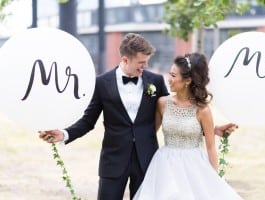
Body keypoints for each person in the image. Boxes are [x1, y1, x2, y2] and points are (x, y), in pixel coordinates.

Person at [38, 33, 238, 200]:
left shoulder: (156, 81)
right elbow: (88, 121)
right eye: (141, 63)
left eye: (146, 62)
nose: (145, 67)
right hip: (113, 161)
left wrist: (212, 130)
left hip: (148, 162)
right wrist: (63, 134)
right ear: (125, 59)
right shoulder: (102, 83)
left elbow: (178, 114)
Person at [133, 52, 243, 199]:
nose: (169, 79)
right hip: (165, 166)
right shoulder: (162, 103)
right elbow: (149, 133)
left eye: (173, 75)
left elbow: (210, 147)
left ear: (187, 80)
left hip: (194, 167)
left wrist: (214, 180)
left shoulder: (202, 110)